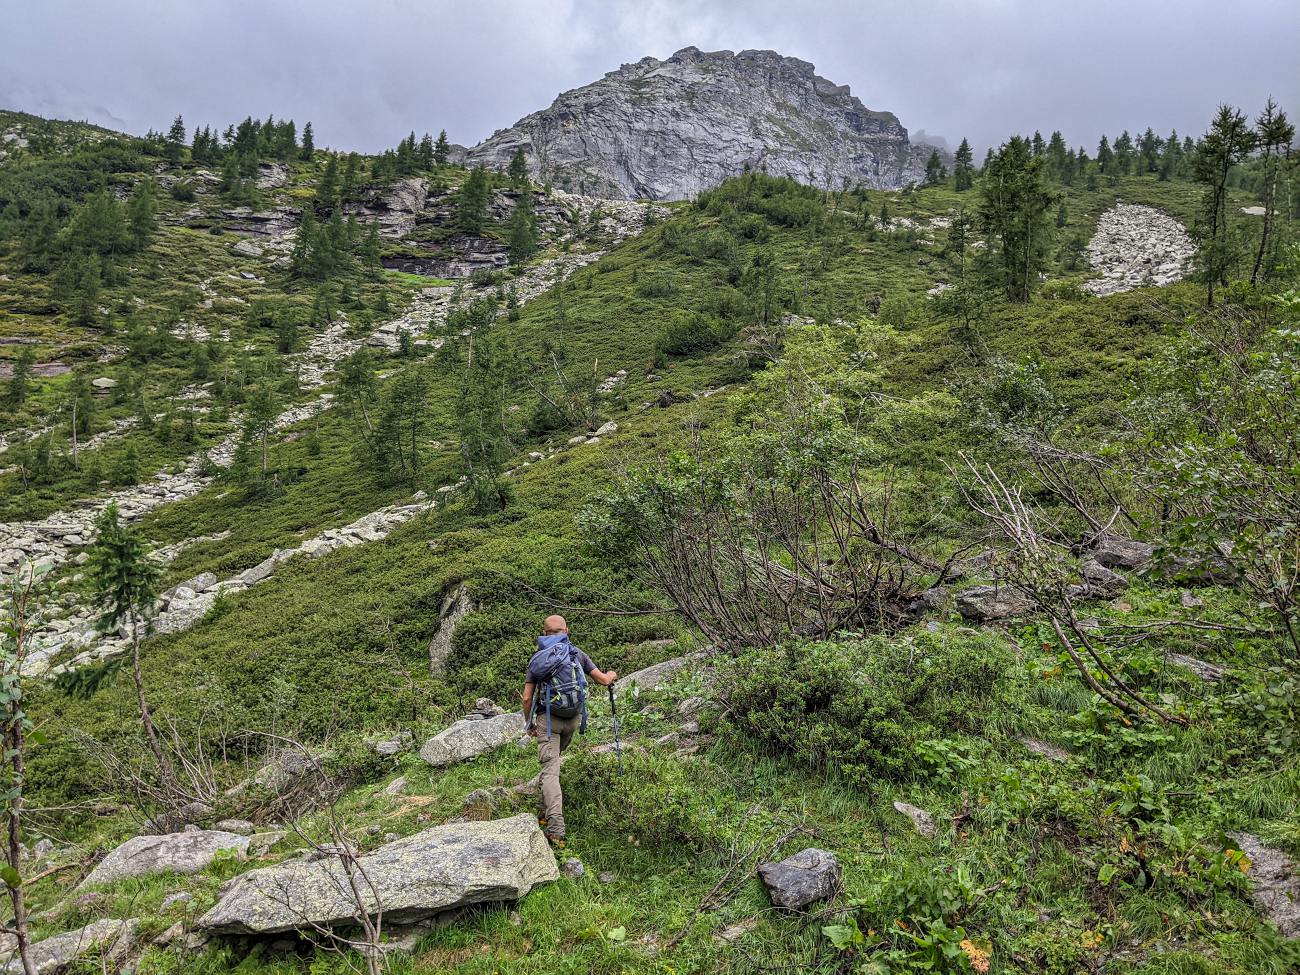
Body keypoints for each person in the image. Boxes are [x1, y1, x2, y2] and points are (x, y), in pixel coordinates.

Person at [521, 614, 617, 847]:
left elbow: (526, 699)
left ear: (544, 633)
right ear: (566, 631)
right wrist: (612, 675)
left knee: (550, 772)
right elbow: (604, 680)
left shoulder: (537, 659)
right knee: (551, 767)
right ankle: (543, 810)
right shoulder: (576, 653)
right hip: (572, 720)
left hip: (548, 721)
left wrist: (529, 724)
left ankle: (555, 829)